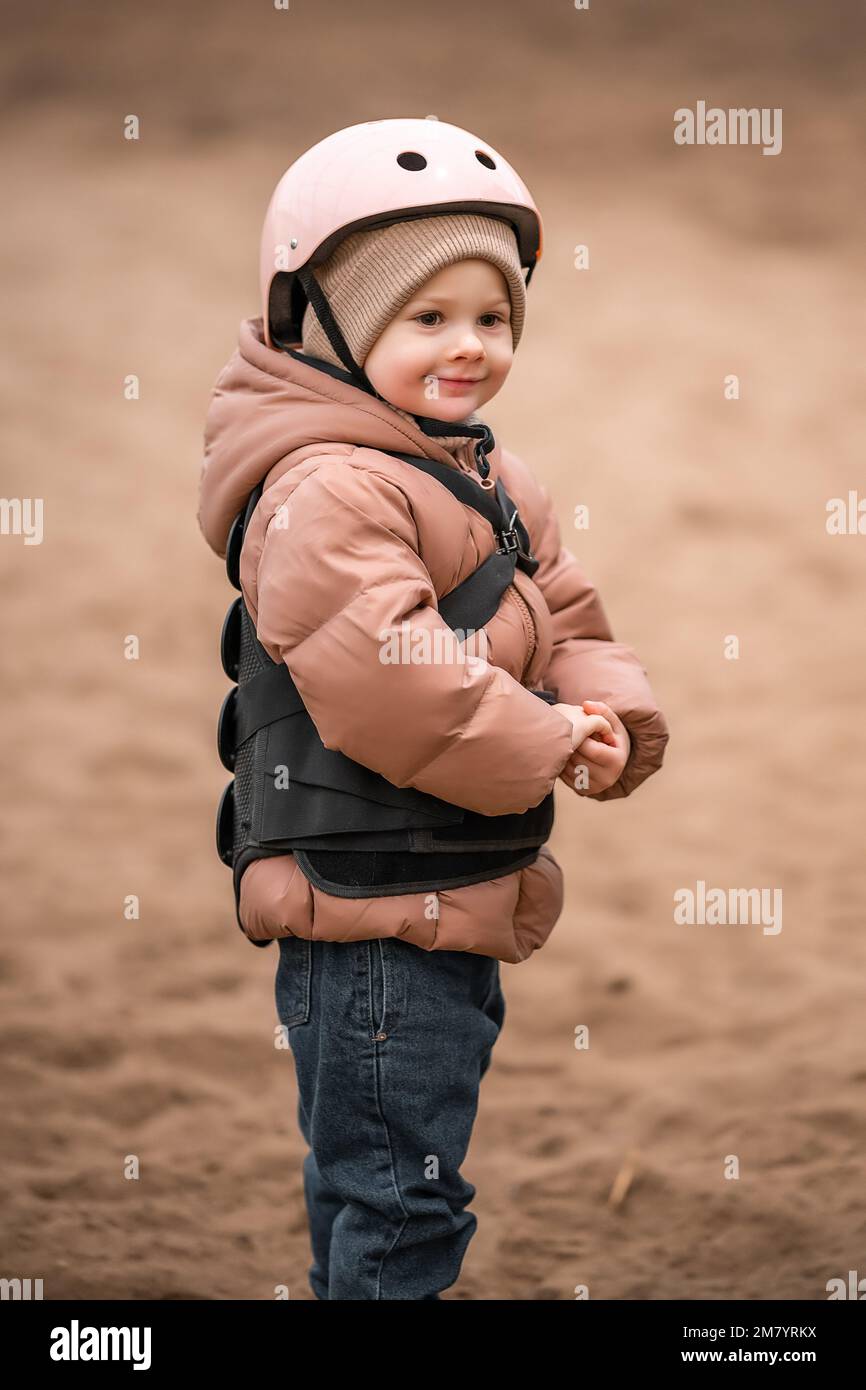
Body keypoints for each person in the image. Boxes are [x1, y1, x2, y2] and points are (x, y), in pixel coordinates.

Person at [197, 118, 670, 1299]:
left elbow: (569, 615)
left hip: (446, 892)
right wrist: (547, 738)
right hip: (368, 921)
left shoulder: (487, 477)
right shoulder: (324, 487)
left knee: (380, 1177)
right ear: (332, 325)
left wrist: (609, 724)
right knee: (401, 1199)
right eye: (427, 318)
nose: (469, 346)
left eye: (492, 318)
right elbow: (391, 677)